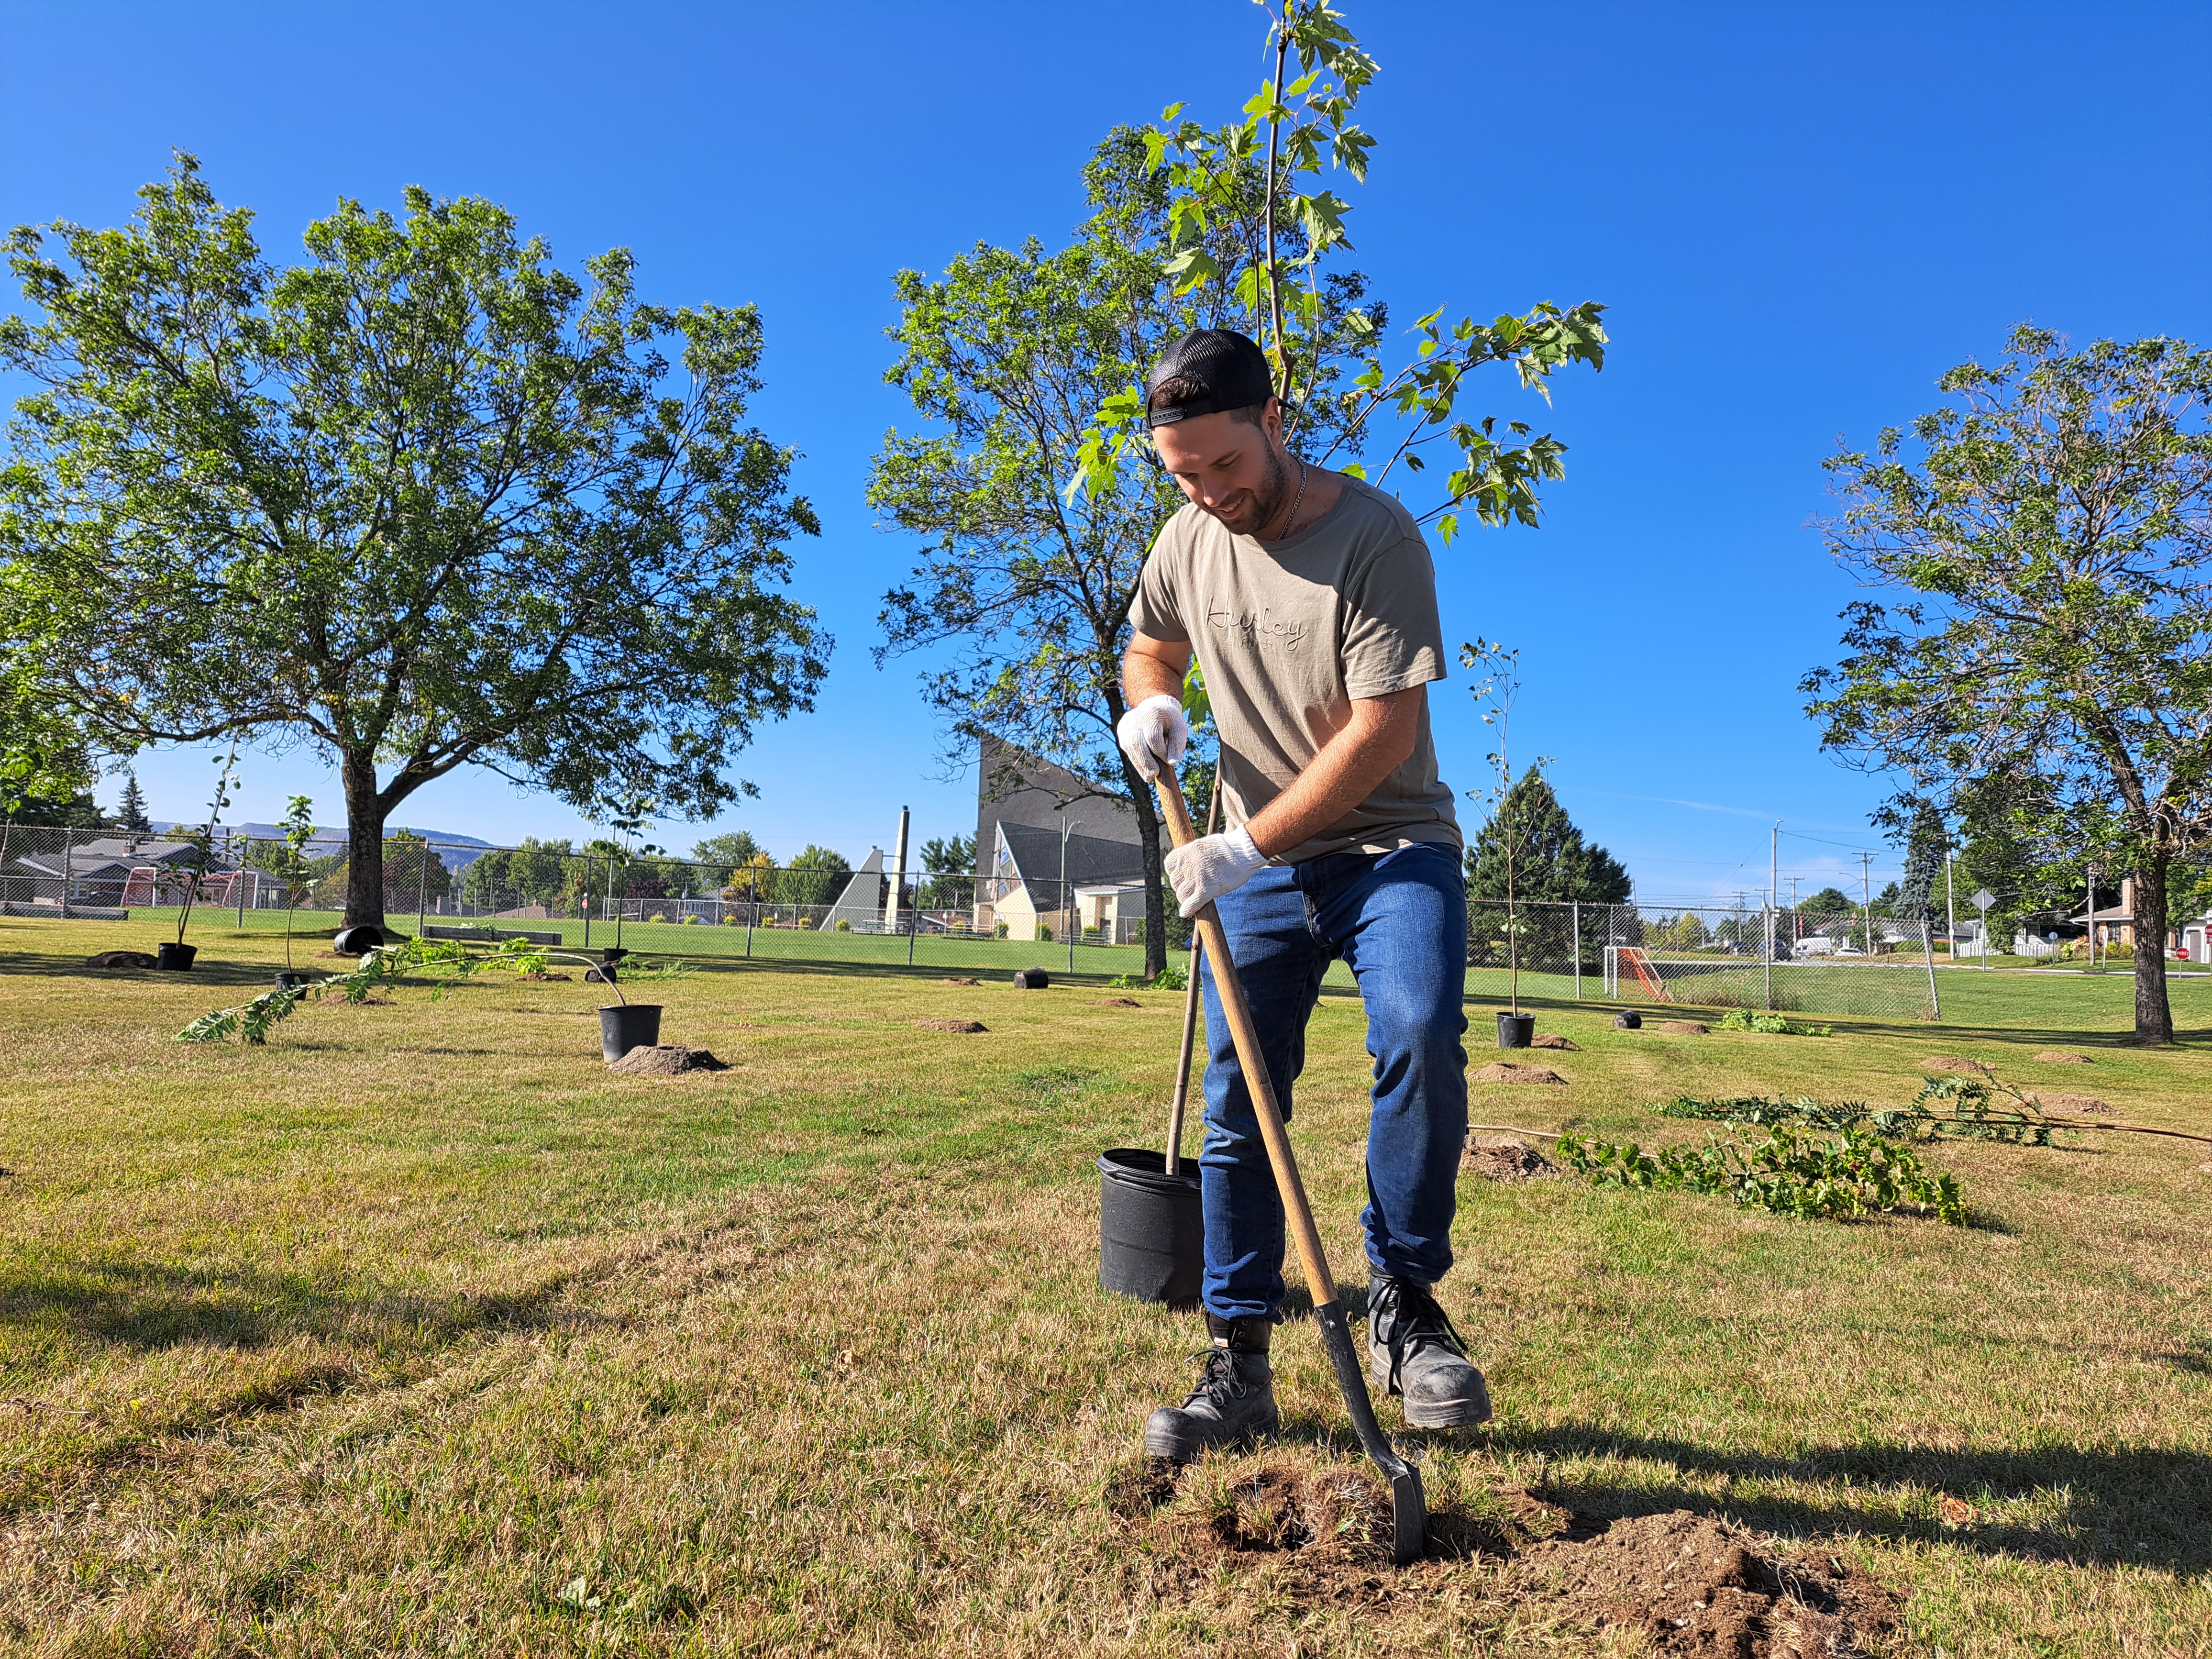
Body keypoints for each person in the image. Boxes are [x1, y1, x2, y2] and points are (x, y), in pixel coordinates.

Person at [1117, 326, 1488, 1461]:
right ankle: (1238, 1360)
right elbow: (1148, 644)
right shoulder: (1185, 537)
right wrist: (1149, 701)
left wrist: (1248, 846)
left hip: (1389, 853)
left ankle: (1405, 1308)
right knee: (1239, 1105)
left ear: (1274, 424)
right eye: (1182, 475)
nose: (1208, 493)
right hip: (1255, 865)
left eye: (1223, 466)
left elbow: (1384, 734)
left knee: (1418, 1033)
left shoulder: (1374, 536)